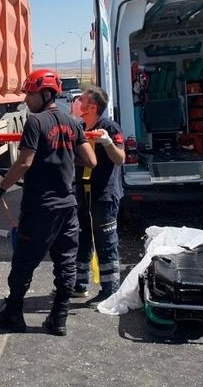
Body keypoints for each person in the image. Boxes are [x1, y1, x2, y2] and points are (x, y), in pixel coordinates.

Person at [0, 70, 96, 336]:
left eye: (30, 94)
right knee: (65, 264)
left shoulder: (35, 122)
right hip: (68, 207)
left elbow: (24, 162)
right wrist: (64, 156)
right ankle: (59, 318)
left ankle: (13, 314)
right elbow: (91, 160)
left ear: (46, 94)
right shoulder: (73, 123)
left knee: (23, 263)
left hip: (40, 208)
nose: (26, 99)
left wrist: (0, 190)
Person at [73, 86, 125, 304]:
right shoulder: (81, 127)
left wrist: (108, 143)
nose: (77, 102)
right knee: (82, 238)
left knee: (106, 242)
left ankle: (110, 290)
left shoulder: (109, 128)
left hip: (104, 194)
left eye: (82, 99)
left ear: (92, 107)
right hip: (84, 193)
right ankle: (80, 284)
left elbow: (120, 158)